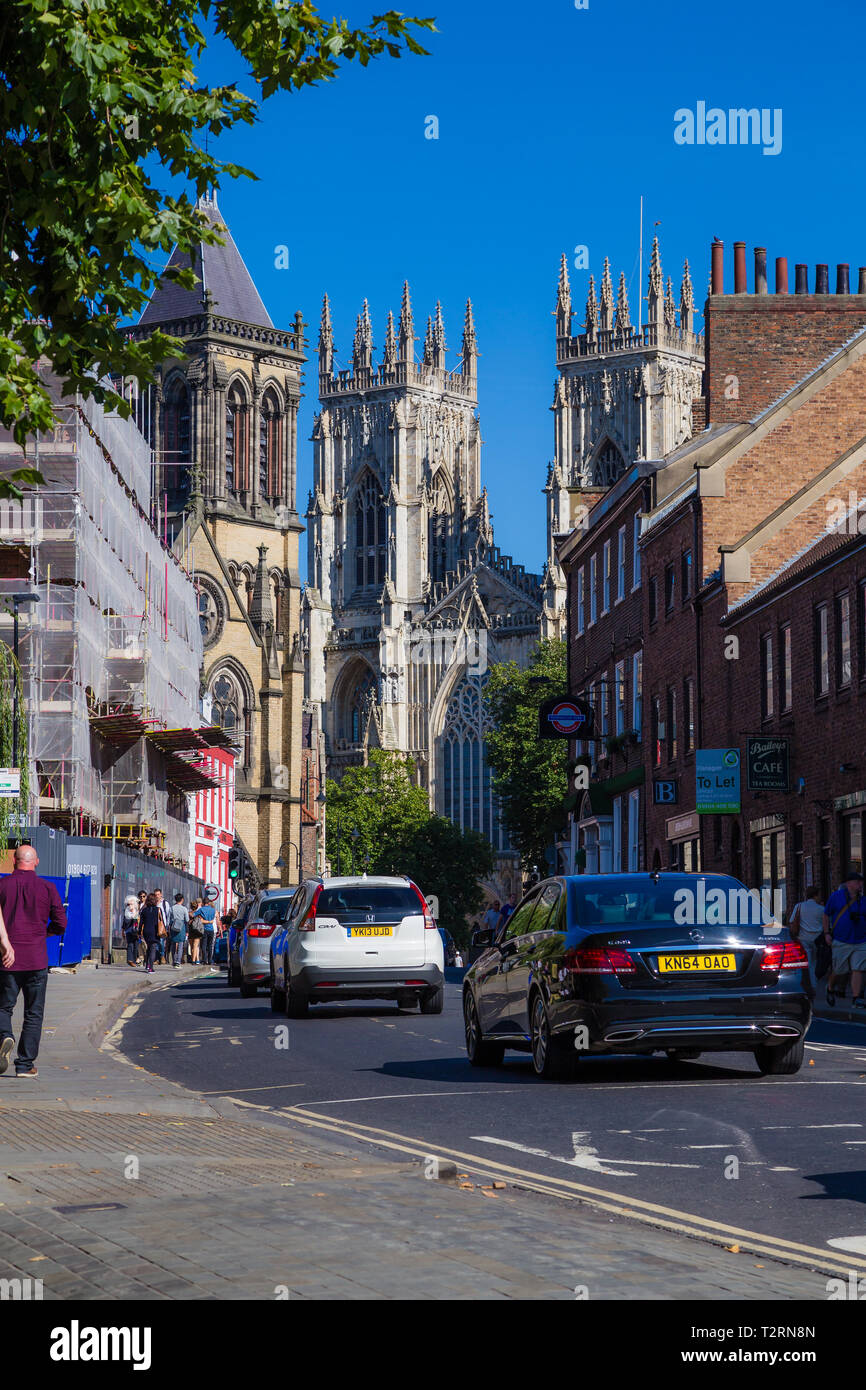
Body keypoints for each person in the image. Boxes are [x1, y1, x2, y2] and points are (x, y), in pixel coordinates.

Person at [0, 844, 67, 1077]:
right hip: (36, 959)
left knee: (2, 1007)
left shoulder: (2, 886)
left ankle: (4, 1035)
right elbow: (61, 923)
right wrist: (44, 933)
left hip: (6, 960)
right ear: (35, 862)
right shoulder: (47, 888)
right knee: (33, 1013)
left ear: (14, 861)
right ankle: (25, 1065)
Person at [824, 867, 866, 1009]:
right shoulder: (836, 897)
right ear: (849, 883)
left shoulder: (863, 899)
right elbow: (826, 914)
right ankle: (830, 987)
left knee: (857, 969)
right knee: (839, 970)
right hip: (841, 939)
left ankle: (856, 998)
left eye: (861, 882)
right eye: (857, 882)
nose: (860, 885)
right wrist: (826, 933)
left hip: (860, 940)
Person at [787, 886, 825, 998]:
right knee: (814, 963)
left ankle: (807, 986)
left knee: (806, 964)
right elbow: (828, 924)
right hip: (817, 940)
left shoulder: (799, 906)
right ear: (816, 895)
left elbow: (791, 921)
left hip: (802, 939)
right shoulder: (821, 909)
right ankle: (813, 985)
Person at [139, 892, 161, 974]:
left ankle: (147, 965)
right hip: (155, 931)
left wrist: (139, 932)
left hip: (146, 931)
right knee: (153, 948)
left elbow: (141, 923)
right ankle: (151, 968)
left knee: (149, 947)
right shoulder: (158, 910)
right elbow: (161, 921)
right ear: (155, 901)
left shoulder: (144, 910)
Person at [195, 896, 217, 965]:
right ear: (209, 902)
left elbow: (194, 914)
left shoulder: (201, 909)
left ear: (203, 903)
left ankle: (204, 960)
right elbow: (214, 918)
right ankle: (210, 960)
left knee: (203, 945)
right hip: (211, 929)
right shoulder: (213, 910)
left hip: (204, 929)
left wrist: (200, 917)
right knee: (210, 945)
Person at [168, 893, 189, 968]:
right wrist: (187, 931)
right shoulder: (184, 909)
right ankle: (178, 961)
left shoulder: (171, 908)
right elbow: (187, 919)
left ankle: (174, 960)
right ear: (182, 900)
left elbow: (168, 920)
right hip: (182, 927)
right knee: (180, 945)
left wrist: (169, 928)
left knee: (173, 944)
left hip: (173, 926)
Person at [122, 895, 141, 967]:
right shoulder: (126, 912)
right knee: (130, 945)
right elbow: (124, 922)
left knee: (136, 945)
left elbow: (138, 921)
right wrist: (123, 930)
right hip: (129, 931)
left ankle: (134, 959)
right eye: (128, 904)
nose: (130, 906)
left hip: (136, 931)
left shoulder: (137, 911)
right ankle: (130, 960)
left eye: (131, 904)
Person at [153, 890, 171, 965]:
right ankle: (157, 958)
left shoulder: (165, 903)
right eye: (155, 895)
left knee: (161, 942)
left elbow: (168, 914)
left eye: (158, 894)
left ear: (161, 894)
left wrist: (167, 925)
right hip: (154, 925)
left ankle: (162, 956)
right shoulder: (153, 903)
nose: (157, 896)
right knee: (156, 942)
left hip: (162, 926)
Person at [187, 898, 203, 964]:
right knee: (196, 946)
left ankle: (192, 959)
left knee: (191, 946)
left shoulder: (189, 913)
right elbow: (201, 921)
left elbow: (187, 921)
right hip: (197, 930)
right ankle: (195, 960)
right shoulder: (199, 914)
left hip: (190, 930)